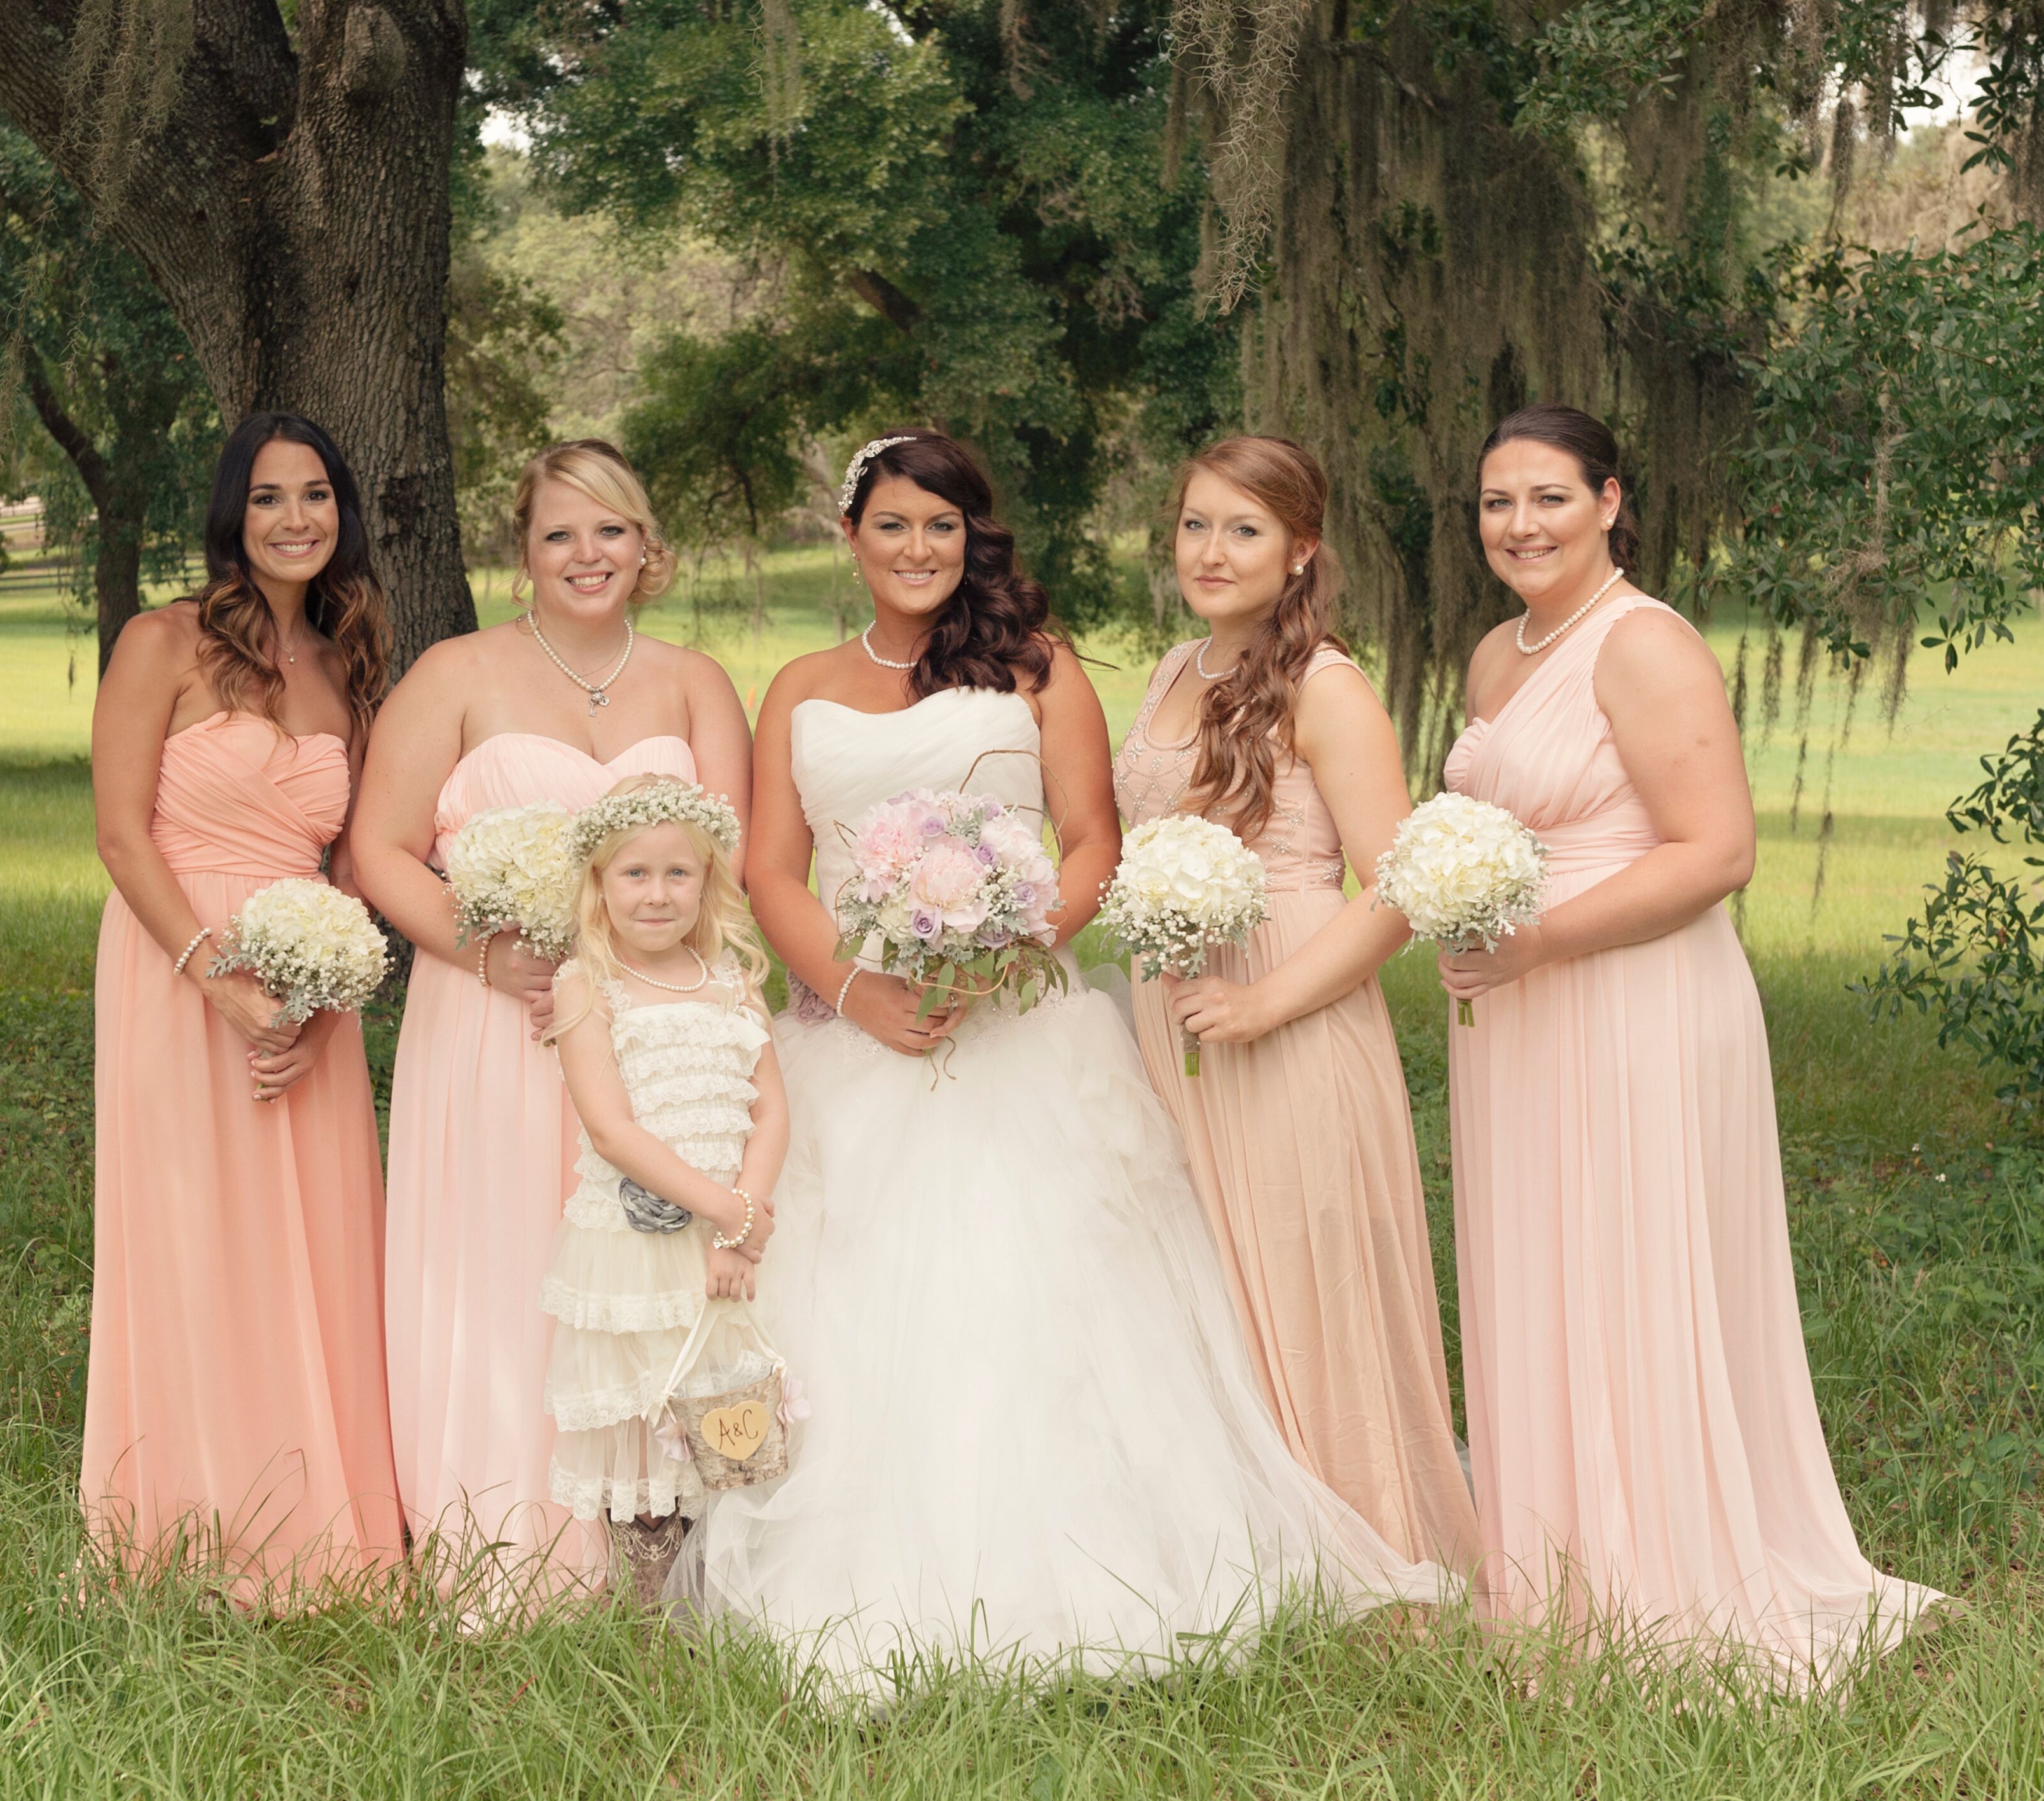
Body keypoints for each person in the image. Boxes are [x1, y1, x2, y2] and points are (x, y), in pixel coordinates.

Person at [679, 430, 1456, 1697]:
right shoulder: (799, 686)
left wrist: (1011, 946)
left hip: (1020, 1027)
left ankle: (1114, 1559)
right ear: (852, 538)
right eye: (892, 526)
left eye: (942, 526)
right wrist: (857, 989)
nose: (917, 548)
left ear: (973, 537)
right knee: (858, 1300)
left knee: (1044, 1300)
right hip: (858, 1037)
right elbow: (770, 868)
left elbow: (1092, 839)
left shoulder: (1039, 673)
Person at [1441, 403, 1942, 1684]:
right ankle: (1555, 1561)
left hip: (1635, 1000)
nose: (1520, 525)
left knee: (1632, 1263)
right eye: (1498, 502)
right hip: (1517, 1012)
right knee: (1541, 1262)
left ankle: (1662, 1566)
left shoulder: (1642, 643)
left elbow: (1715, 852)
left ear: (1610, 502)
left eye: (1548, 497)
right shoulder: (1496, 654)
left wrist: (1538, 940)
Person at [349, 442, 750, 1609]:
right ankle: (509, 1532)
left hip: (656, 1029)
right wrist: (487, 949)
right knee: (508, 1259)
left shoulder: (694, 682)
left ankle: (663, 1539)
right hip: (494, 1025)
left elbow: (724, 859)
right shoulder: (456, 673)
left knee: (655, 1260)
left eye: (612, 530)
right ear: (522, 550)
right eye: (562, 533)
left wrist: (667, 977)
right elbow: (379, 846)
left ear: (646, 546)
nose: (589, 555)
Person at [1113, 434, 1480, 1577]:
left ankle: (1364, 1547)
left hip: (1289, 1005)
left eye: (1244, 529)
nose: (1211, 552)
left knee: (1305, 1276)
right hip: (1174, 1009)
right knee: (1209, 1274)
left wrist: (1266, 1002)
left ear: (1301, 548)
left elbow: (1406, 886)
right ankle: (1248, 1548)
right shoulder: (1176, 667)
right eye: (1194, 526)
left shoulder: (1326, 684)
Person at [83, 410, 402, 1606]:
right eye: (269, 498)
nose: (295, 520)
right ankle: (189, 1522)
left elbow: (352, 864)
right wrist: (216, 978)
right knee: (193, 1225)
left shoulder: (348, 663)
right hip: (179, 965)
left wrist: (321, 1002)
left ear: (343, 514)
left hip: (311, 980)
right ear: (233, 514)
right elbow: (121, 833)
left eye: (316, 496)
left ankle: (324, 1515)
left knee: (311, 1236)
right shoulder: (160, 644)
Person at [541, 776, 787, 1608]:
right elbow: (611, 1129)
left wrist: (741, 1219)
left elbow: (772, 1106)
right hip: (638, 1249)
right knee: (646, 1428)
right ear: (600, 886)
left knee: (730, 1419)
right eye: (634, 875)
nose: (657, 894)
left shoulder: (730, 977)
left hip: (728, 1246)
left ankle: (725, 1603)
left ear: (709, 880)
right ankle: (648, 1615)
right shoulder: (586, 984)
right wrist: (728, 1212)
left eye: (678, 875)